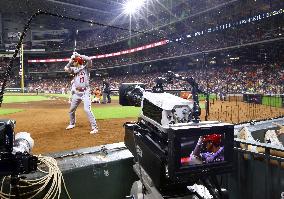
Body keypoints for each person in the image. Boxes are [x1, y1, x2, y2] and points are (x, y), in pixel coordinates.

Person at [64, 52, 98, 134]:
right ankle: (72, 123)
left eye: (75, 61)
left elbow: (89, 59)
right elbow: (65, 68)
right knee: (71, 110)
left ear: (78, 62)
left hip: (85, 92)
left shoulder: (86, 68)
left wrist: (78, 55)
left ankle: (95, 128)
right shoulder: (74, 69)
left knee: (87, 109)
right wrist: (71, 61)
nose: (74, 63)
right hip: (76, 92)